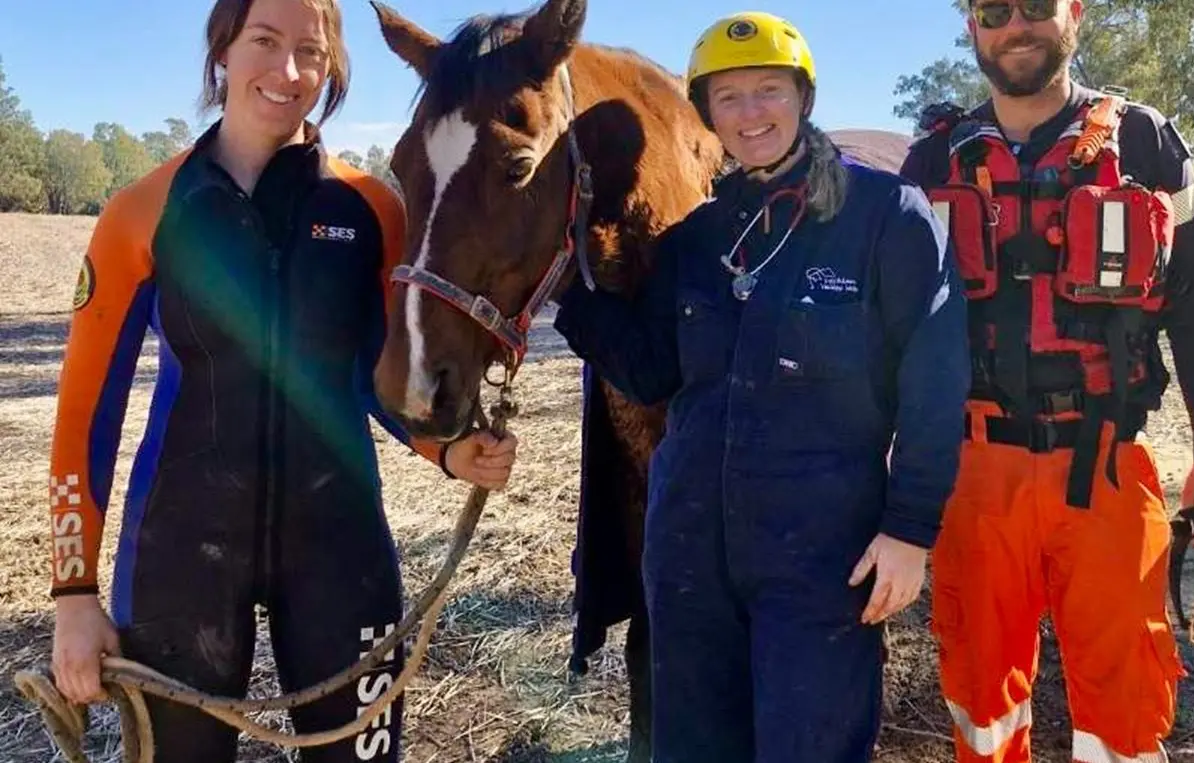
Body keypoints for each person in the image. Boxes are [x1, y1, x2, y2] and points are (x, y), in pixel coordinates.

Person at [45, 1, 520, 761]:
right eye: (264, 41)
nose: (288, 70)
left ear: (332, 68)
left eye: (311, 50)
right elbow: (85, 415)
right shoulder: (142, 211)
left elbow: (375, 372)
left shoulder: (373, 209)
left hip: (340, 549)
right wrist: (73, 595)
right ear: (222, 52)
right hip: (180, 550)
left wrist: (447, 450)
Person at [551, 11, 970, 763]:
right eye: (729, 97)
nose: (751, 114)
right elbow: (649, 371)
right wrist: (567, 286)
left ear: (802, 98)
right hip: (688, 555)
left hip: (821, 558)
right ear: (707, 115)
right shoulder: (696, 240)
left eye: (769, 90)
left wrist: (910, 530)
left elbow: (935, 380)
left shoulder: (885, 216)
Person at [899, 0, 1194, 760]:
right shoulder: (931, 163)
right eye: (994, 10)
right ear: (972, 27)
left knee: (1124, 705)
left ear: (1075, 14)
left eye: (1036, 6)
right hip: (972, 473)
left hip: (1108, 468)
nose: (1015, 26)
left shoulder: (1146, 142)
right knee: (980, 699)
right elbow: (893, 332)